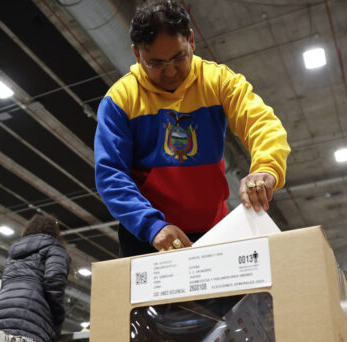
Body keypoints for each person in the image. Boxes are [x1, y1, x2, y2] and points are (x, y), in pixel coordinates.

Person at [95, 0, 290, 257]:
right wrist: (152, 226)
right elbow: (110, 173)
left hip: (213, 230)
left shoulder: (219, 81)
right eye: (156, 63)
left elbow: (261, 123)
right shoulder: (120, 100)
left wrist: (266, 167)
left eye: (179, 57)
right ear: (136, 54)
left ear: (191, 41)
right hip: (149, 236)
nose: (171, 71)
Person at [0, 214, 71, 342]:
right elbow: (55, 281)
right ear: (55, 233)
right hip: (32, 309)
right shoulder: (55, 248)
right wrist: (58, 317)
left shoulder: (14, 254)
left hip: (2, 307)